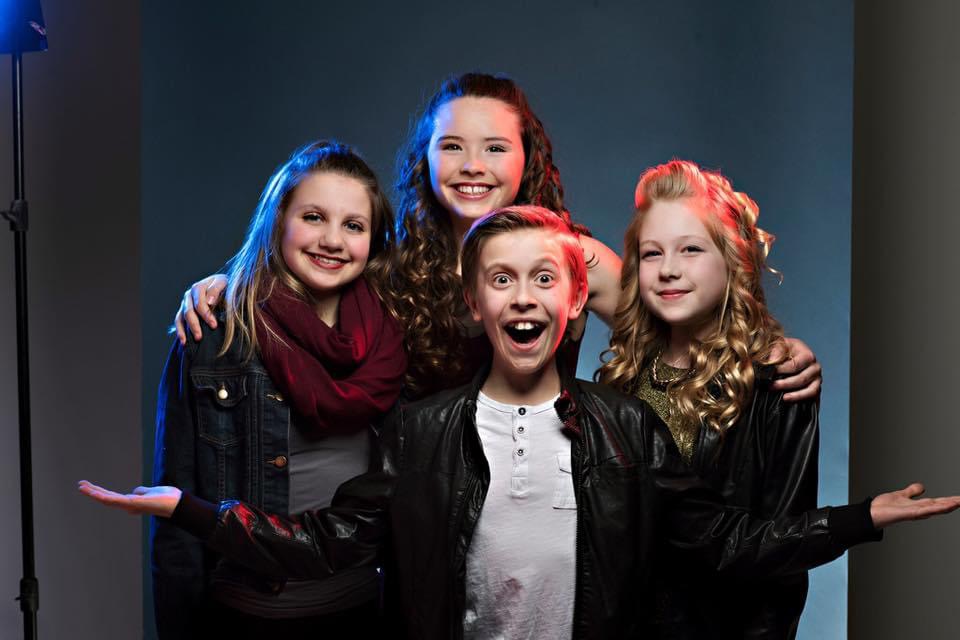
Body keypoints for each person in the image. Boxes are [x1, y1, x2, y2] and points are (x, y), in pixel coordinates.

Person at [82, 206, 960, 640]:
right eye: (501, 280)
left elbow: (726, 541)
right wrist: (191, 510)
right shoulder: (421, 433)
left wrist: (862, 519)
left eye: (544, 278)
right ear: (474, 304)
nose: (524, 296)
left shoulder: (625, 429)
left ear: (577, 300)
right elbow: (323, 542)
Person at [170, 73, 822, 400]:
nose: (472, 166)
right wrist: (227, 283)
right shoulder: (392, 263)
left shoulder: (576, 258)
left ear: (526, 156)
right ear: (425, 159)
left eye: (493, 147)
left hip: (547, 501)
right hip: (421, 508)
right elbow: (308, 276)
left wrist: (771, 345)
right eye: (451, 146)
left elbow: (684, 320)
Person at [148, 140, 406, 638]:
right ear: (278, 220)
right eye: (314, 217)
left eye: (353, 225)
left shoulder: (394, 336)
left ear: (373, 241)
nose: (332, 240)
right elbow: (176, 513)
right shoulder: (214, 334)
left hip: (363, 613)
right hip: (247, 617)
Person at [599, 160, 822, 638]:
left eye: (691, 249)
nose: (669, 270)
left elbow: (782, 559)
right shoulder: (620, 379)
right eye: (652, 253)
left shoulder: (776, 384)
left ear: (734, 260)